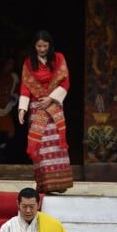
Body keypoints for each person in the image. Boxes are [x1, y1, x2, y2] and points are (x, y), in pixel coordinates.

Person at [18, 30, 73, 194]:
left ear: (50, 45)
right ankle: (44, 184)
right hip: (37, 108)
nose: (42, 49)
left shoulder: (59, 58)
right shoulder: (29, 63)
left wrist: (51, 98)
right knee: (41, 148)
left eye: (45, 46)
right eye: (39, 46)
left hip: (54, 106)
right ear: (34, 46)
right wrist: (22, 108)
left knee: (56, 145)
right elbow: (25, 86)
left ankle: (59, 184)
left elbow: (65, 82)